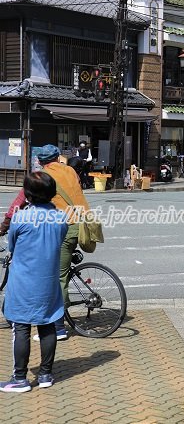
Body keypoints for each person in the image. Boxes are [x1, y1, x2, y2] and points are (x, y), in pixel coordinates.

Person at [0, 144, 89, 340]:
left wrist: (5, 225)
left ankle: (57, 328)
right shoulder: (70, 171)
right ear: (58, 158)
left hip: (63, 224)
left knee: (57, 276)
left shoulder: (42, 178)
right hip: (78, 222)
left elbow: (19, 203)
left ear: (39, 161)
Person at [1, 172, 69, 392]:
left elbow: (12, 245)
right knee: (47, 324)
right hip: (48, 282)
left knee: (21, 327)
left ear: (28, 194)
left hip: (23, 282)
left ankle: (20, 378)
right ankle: (46, 374)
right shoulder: (60, 218)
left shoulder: (21, 217)